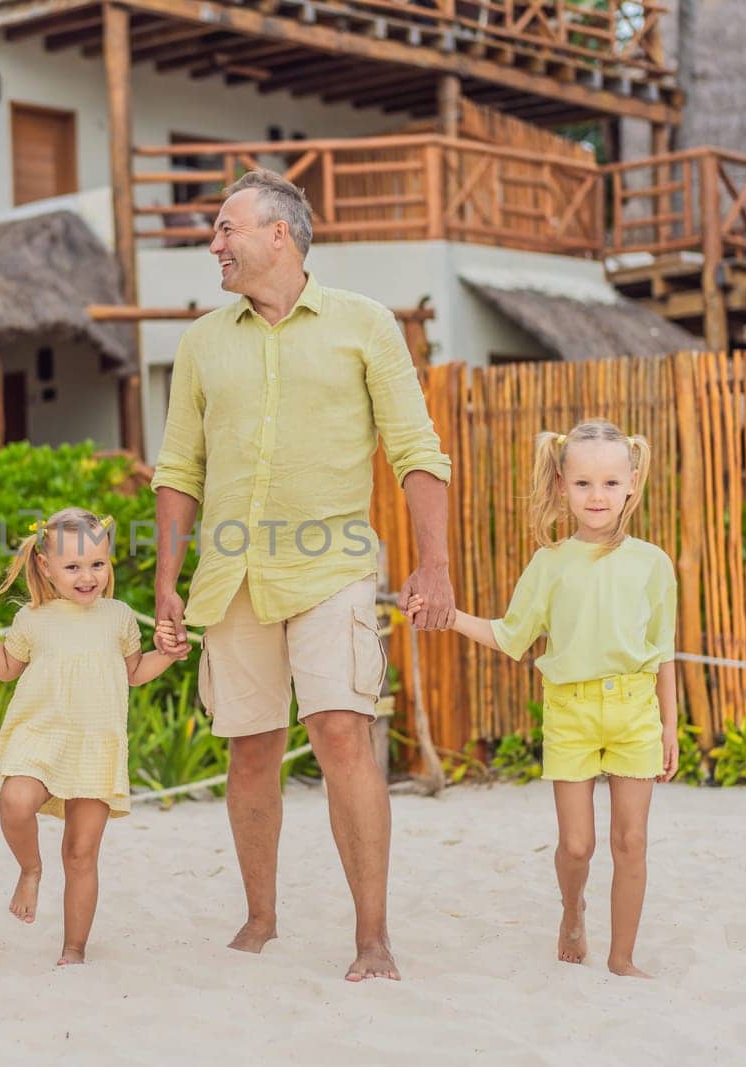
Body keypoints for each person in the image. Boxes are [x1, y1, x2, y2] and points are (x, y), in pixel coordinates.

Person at [150, 169, 455, 982]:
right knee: (250, 750)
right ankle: (260, 915)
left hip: (333, 568)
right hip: (232, 576)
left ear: (278, 234)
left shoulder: (366, 325)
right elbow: (178, 467)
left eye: (225, 228)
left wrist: (435, 564)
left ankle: (373, 936)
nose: (214, 244)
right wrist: (166, 580)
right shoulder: (201, 342)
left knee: (340, 735)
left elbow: (418, 451)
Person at [413, 418, 678, 978]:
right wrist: (448, 617)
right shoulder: (549, 563)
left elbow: (663, 654)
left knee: (631, 841)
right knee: (577, 846)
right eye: (583, 484)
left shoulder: (653, 563)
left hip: (636, 713)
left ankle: (622, 959)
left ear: (632, 482)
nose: (597, 495)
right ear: (561, 485)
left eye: (610, 483)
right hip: (570, 714)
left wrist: (670, 729)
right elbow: (510, 637)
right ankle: (572, 910)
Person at [0, 508, 183, 965]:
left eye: (97, 564)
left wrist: (169, 654)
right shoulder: (32, 620)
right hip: (39, 736)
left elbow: (135, 673)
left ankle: (73, 950)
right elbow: (4, 669)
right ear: (45, 566)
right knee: (16, 800)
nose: (87, 577)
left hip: (94, 747)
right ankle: (30, 867)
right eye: (73, 567)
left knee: (81, 855)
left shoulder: (118, 617)